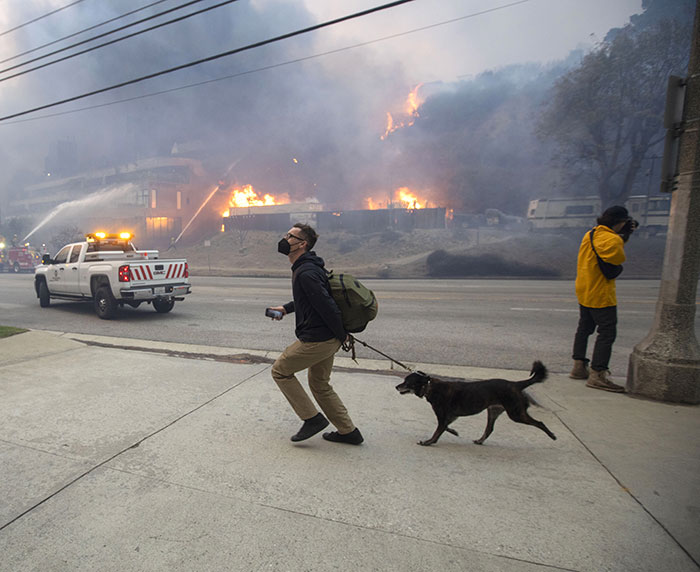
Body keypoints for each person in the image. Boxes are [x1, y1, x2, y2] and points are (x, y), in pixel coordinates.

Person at [268, 223, 364, 445]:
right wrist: (286, 308)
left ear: (302, 244)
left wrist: (343, 335)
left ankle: (312, 419)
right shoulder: (308, 267)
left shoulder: (306, 271)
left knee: (280, 371)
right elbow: (311, 298)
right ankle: (348, 431)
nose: (285, 239)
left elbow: (327, 305)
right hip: (328, 337)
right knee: (320, 384)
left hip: (318, 339)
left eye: (290, 236)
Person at [569, 205, 637, 392]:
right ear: (619, 222)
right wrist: (625, 236)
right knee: (607, 332)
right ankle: (598, 374)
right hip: (600, 293)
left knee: (584, 328)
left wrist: (622, 235)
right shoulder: (611, 239)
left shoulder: (590, 234)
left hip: (584, 289)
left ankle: (578, 366)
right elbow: (616, 259)